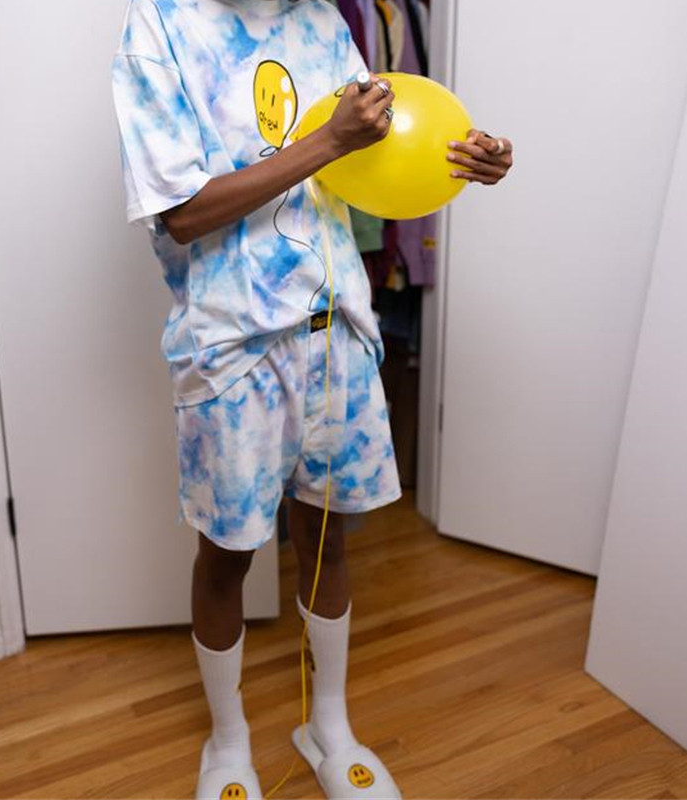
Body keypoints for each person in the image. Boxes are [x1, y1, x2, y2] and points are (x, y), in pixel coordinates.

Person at [111, 0, 513, 796]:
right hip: (231, 346)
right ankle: (228, 744)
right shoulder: (160, 24)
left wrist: (463, 159)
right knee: (226, 556)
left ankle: (328, 726)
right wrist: (329, 138)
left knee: (328, 539)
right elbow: (182, 214)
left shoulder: (325, 19)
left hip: (336, 327)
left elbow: (378, 154)